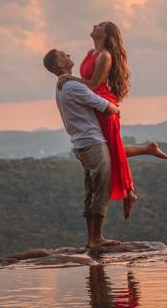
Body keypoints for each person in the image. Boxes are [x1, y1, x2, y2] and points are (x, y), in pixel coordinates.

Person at [57, 22, 167, 219]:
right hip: (94, 104)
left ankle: (129, 191)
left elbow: (93, 84)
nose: (94, 25)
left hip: (104, 106)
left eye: (99, 26)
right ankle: (142, 162)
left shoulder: (105, 56)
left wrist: (67, 79)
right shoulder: (90, 52)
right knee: (109, 150)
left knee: (110, 150)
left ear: (106, 34)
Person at [44, 48, 119, 248]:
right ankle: (97, 239)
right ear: (59, 65)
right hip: (92, 141)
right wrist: (116, 107)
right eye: (63, 54)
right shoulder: (71, 87)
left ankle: (91, 238)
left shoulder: (63, 85)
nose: (68, 54)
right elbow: (104, 105)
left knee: (90, 190)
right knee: (101, 188)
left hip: (80, 144)